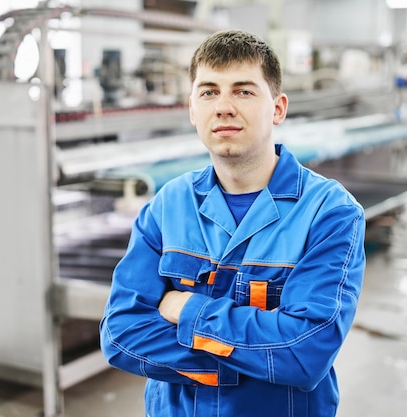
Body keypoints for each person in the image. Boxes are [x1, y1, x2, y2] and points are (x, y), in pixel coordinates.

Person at [99, 29, 365, 417]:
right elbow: (121, 334)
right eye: (208, 92)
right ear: (193, 109)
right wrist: (255, 361)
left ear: (277, 108)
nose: (223, 106)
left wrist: (185, 308)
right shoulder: (169, 204)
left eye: (243, 91)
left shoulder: (329, 213)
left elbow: (303, 354)